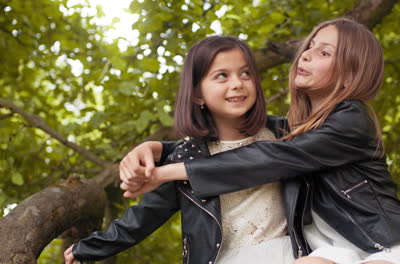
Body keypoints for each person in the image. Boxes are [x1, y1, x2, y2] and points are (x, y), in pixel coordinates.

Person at [120, 18, 400, 264]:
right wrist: (159, 149)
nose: (306, 55)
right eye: (310, 46)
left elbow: (270, 157)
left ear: (349, 72)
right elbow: (237, 143)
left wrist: (164, 172)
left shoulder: (352, 119)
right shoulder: (297, 127)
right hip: (333, 250)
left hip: (382, 244)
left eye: (324, 52)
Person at [63, 35, 308, 264]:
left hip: (288, 254)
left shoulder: (285, 133)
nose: (237, 84)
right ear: (197, 95)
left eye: (246, 73)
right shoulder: (186, 156)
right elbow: (144, 216)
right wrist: (88, 248)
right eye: (222, 75)